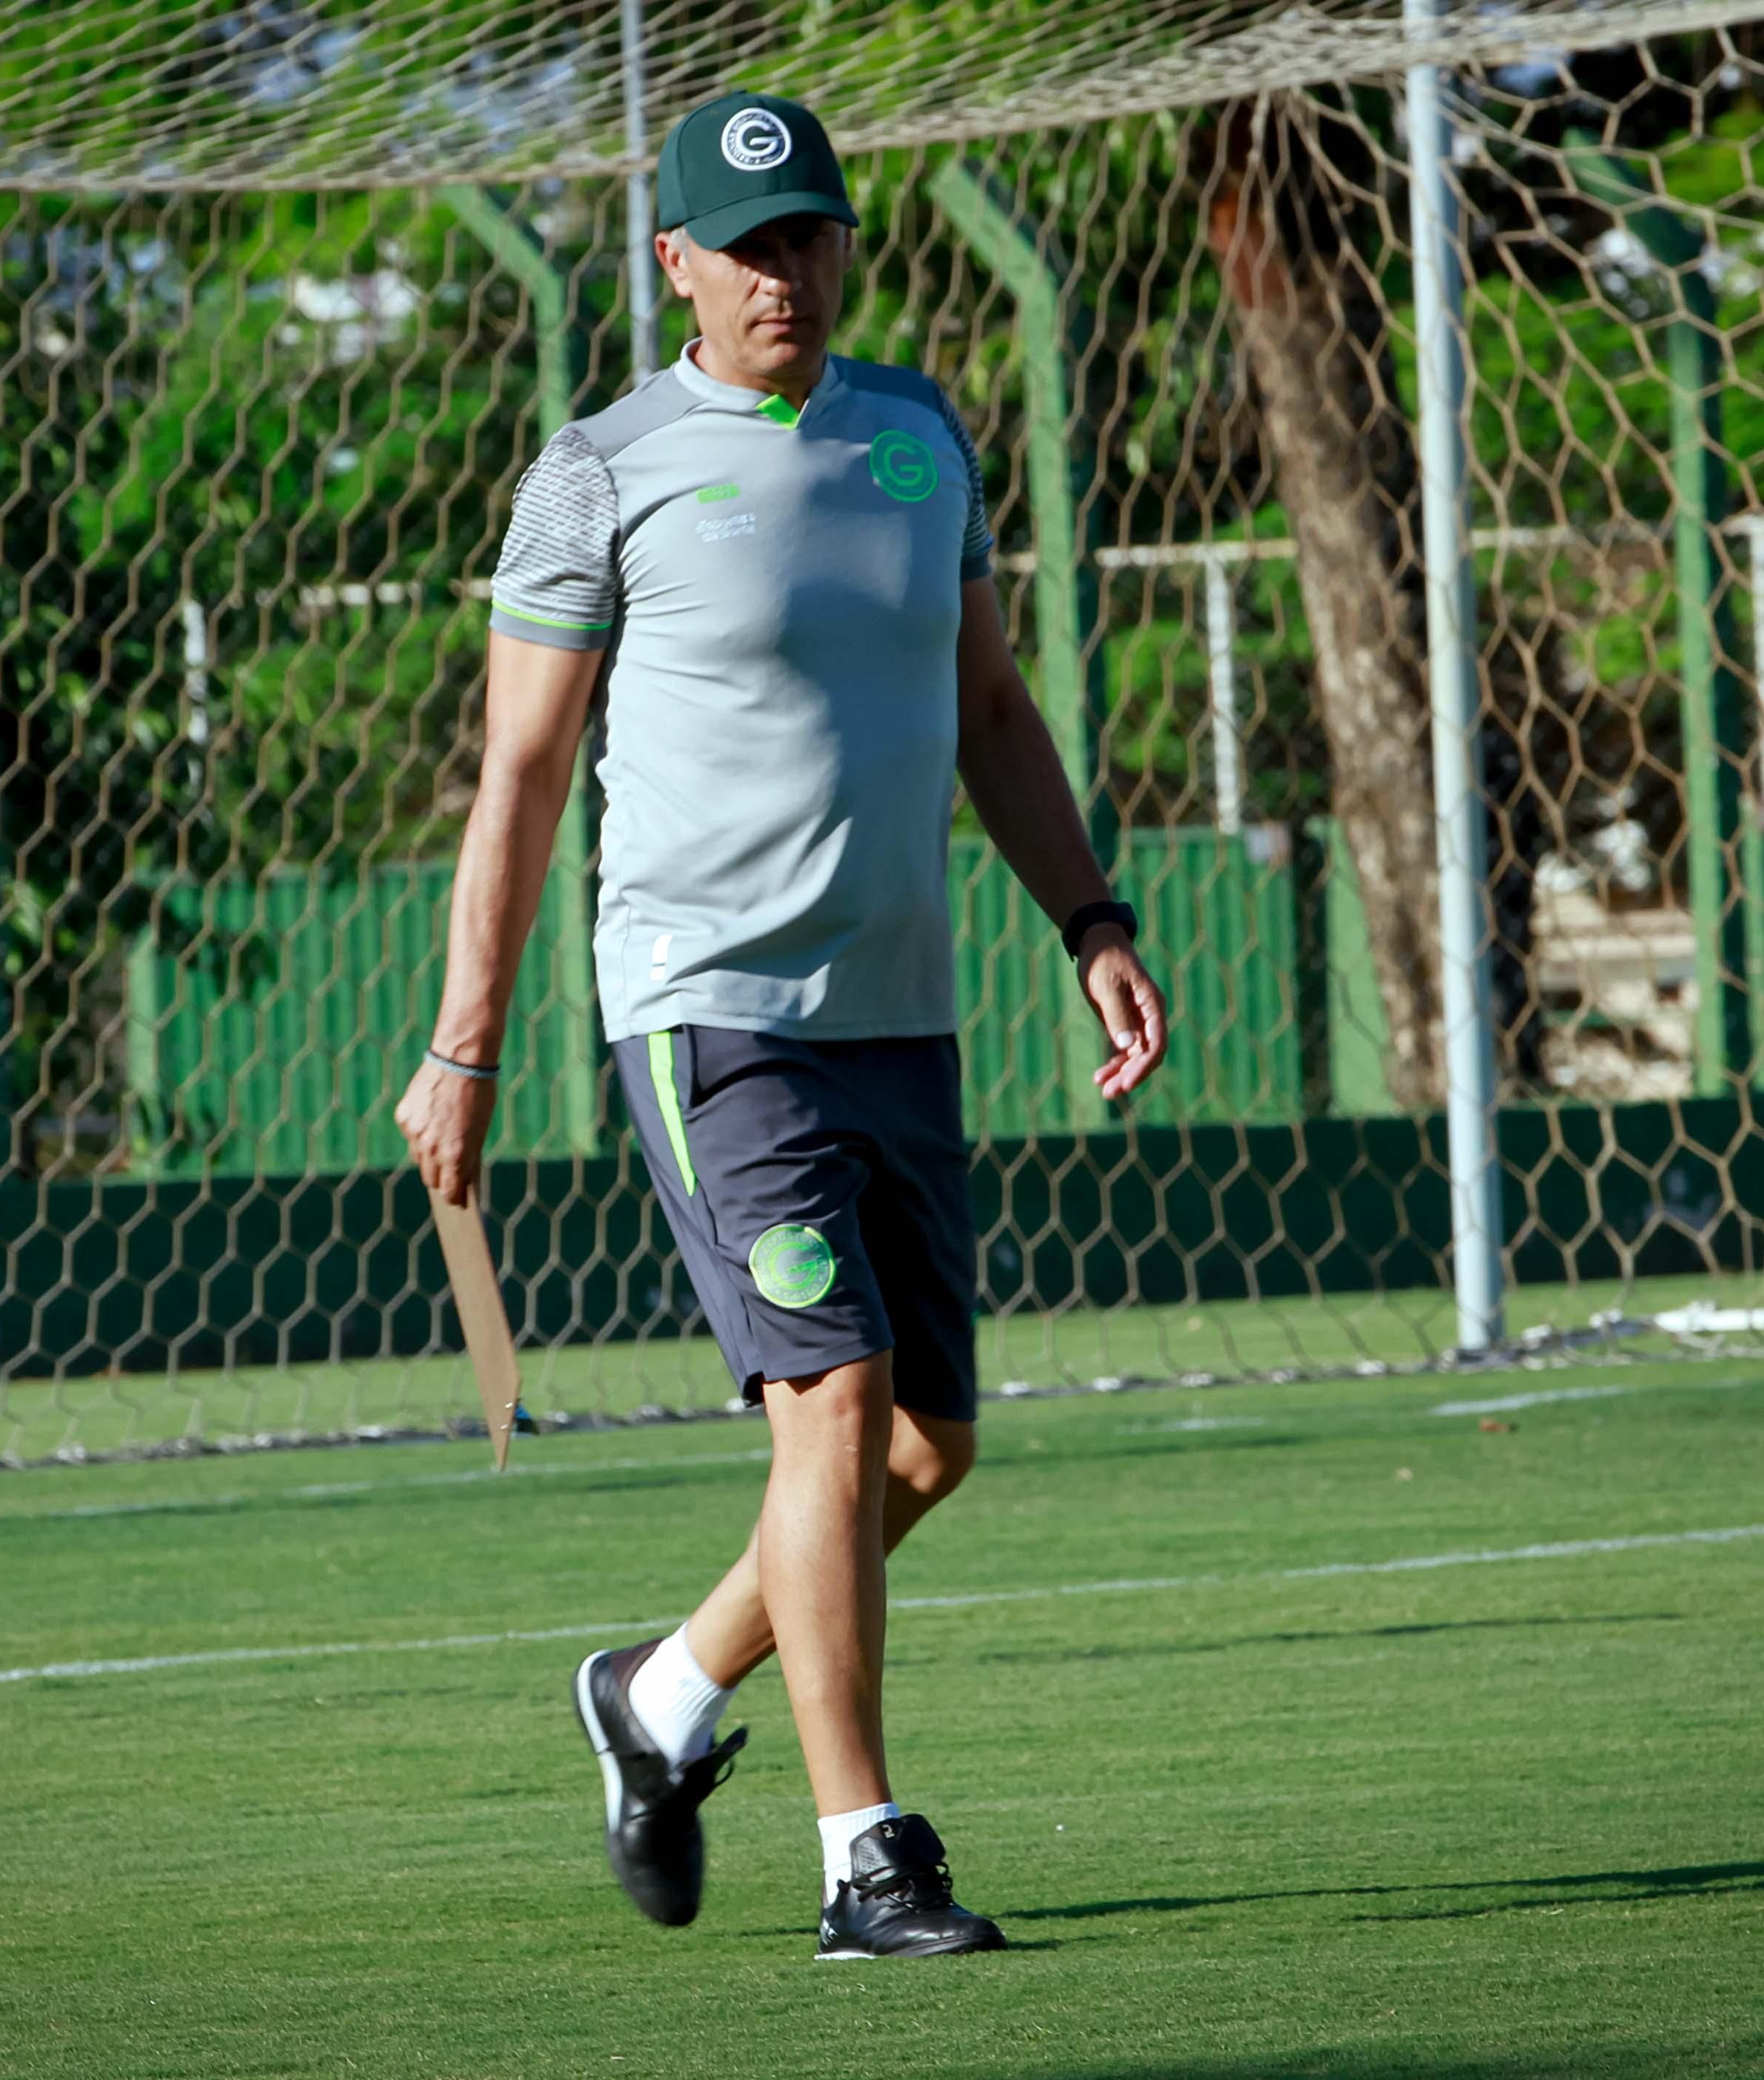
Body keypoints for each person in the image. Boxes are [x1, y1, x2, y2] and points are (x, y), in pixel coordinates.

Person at [395, 89, 1169, 1961]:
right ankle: (863, 1857)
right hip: (706, 1007)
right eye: (744, 245)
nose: (782, 273)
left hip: (897, 1009)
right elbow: (516, 775)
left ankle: (656, 1695)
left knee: (924, 1447)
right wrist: (465, 1039)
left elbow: (991, 712)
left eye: (808, 236)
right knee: (826, 1403)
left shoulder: (917, 437)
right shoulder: (599, 469)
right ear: (671, 262)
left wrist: (1089, 916)